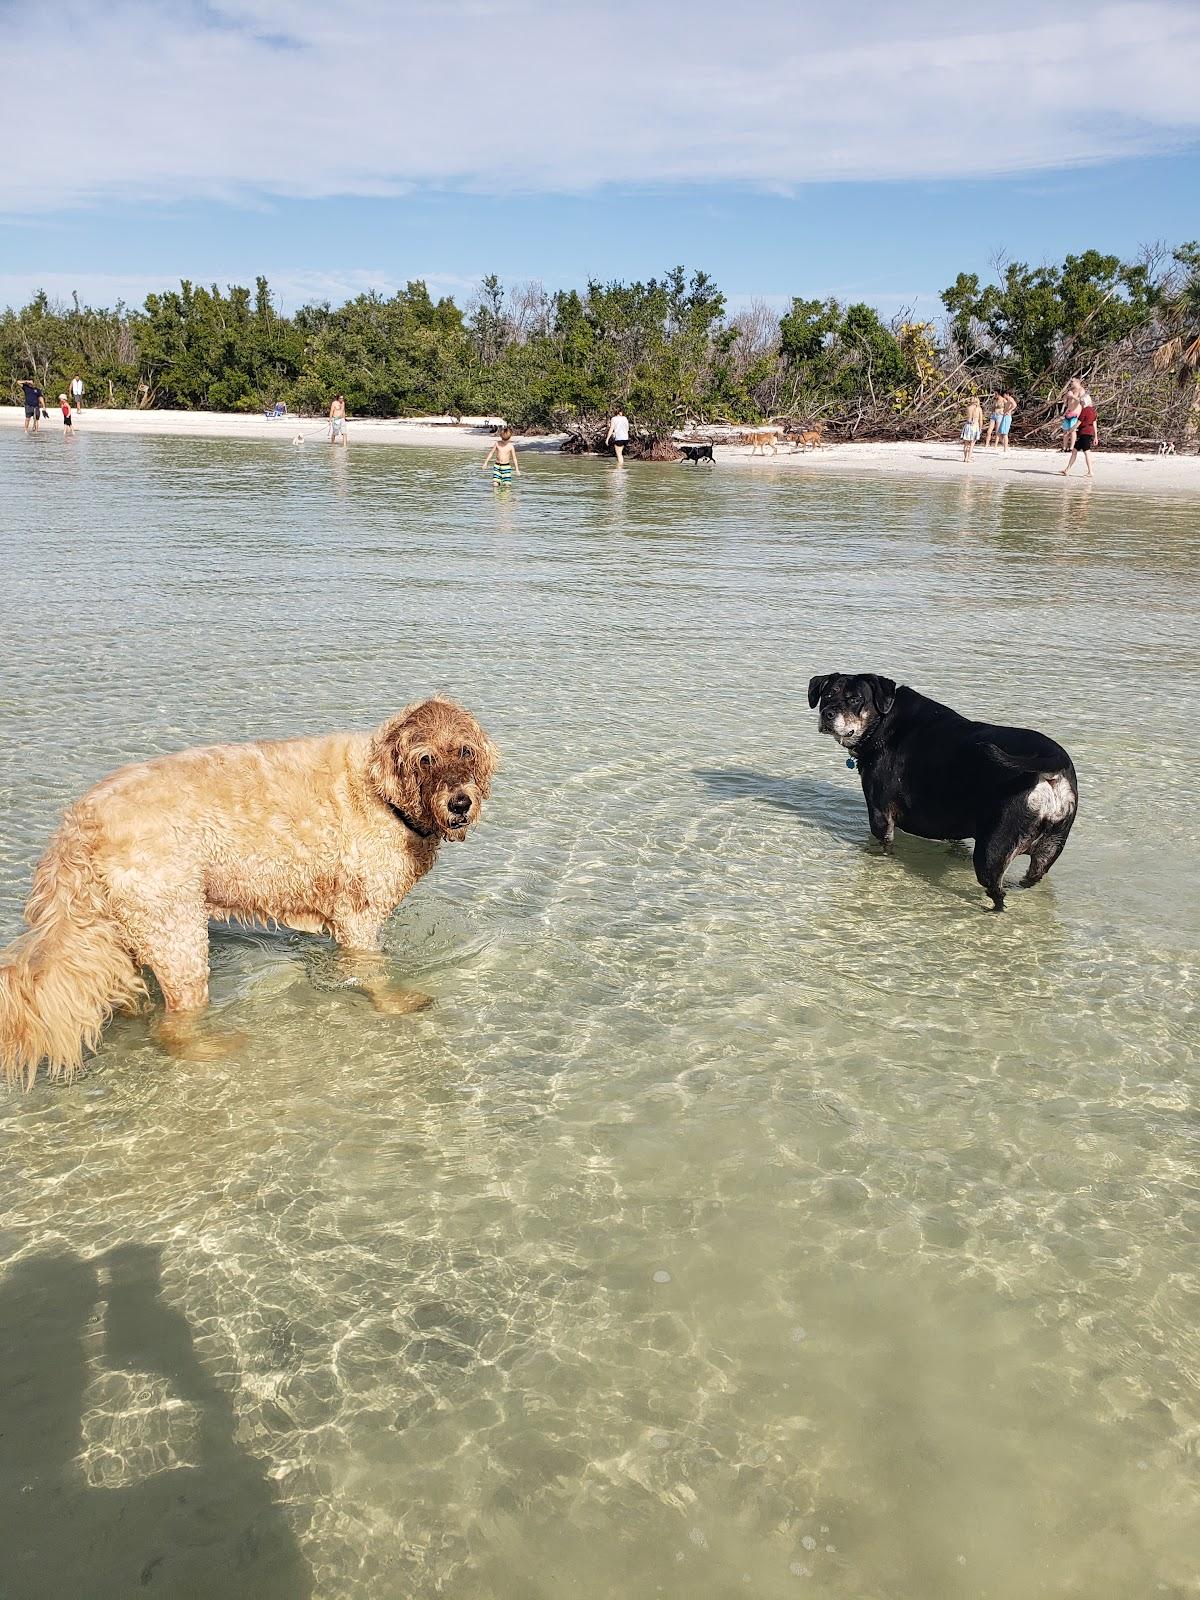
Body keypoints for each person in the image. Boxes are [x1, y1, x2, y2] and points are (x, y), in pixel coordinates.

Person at [1061, 396, 1098, 477]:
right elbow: (1095, 424)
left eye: (1081, 401)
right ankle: (1067, 470)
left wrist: (1069, 431)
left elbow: (1077, 424)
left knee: (1087, 452)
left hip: (1085, 433)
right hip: (1088, 433)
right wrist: (1095, 437)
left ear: (1084, 402)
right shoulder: (1093, 411)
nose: (1080, 403)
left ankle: (1090, 472)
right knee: (1074, 450)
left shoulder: (1084, 410)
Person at [1060, 379, 1082, 452]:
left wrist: (1072, 396)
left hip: (1075, 413)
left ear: (1077, 382)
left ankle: (1071, 448)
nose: (1071, 383)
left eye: (1072, 381)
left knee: (1072, 430)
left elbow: (1081, 400)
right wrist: (1066, 396)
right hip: (1068, 412)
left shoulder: (1081, 390)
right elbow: (1064, 401)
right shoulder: (1070, 390)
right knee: (1065, 430)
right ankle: (1064, 447)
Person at [961, 396, 983, 462]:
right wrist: (980, 428)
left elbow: (967, 417)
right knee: (972, 444)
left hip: (967, 425)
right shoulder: (979, 409)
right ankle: (969, 458)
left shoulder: (968, 408)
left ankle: (965, 458)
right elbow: (980, 420)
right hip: (974, 426)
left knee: (966, 443)